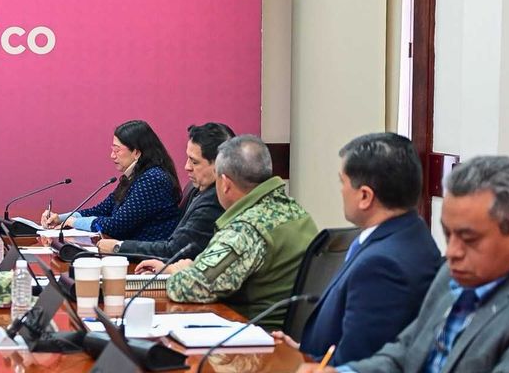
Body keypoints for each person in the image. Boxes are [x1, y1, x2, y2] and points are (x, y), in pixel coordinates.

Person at [304, 156, 509, 373]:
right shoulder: (452, 274)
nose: (452, 251)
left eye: (469, 239)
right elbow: (405, 354)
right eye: (448, 234)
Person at [271, 133, 440, 366]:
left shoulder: (383, 265)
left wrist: (310, 364)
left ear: (364, 196)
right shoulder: (408, 234)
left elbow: (359, 361)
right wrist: (303, 352)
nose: (341, 191)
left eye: (343, 182)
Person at [136, 135, 317, 330]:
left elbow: (190, 287)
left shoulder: (247, 228)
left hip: (250, 342)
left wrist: (177, 270)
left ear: (225, 183)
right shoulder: (296, 212)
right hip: (282, 339)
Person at [98, 122, 234, 259]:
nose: (186, 167)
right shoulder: (199, 190)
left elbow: (173, 250)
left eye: (194, 162)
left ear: (219, 165)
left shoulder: (214, 202)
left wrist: (118, 247)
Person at [41, 120, 183, 243]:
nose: (111, 156)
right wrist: (60, 218)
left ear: (137, 152)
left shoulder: (153, 179)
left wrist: (73, 222)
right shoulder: (134, 176)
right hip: (127, 249)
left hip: (144, 257)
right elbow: (102, 209)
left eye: (117, 150)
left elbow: (117, 225)